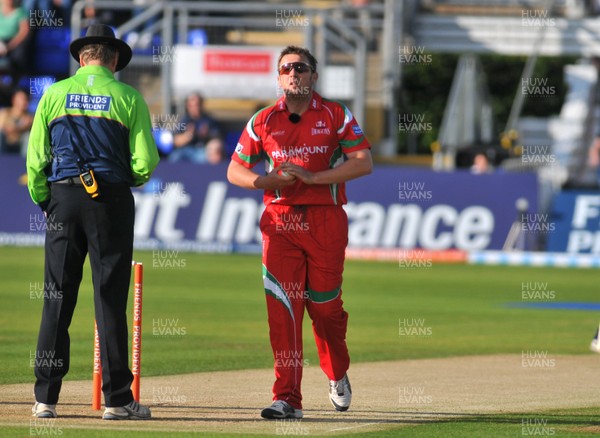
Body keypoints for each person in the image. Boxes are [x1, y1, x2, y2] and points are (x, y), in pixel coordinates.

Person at [227, 45, 372, 419]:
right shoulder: (263, 120)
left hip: (326, 221)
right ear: (278, 78)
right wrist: (264, 180)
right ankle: (287, 397)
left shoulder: (335, 114)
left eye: (301, 68)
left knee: (324, 311)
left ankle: (337, 373)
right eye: (286, 69)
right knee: (283, 310)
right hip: (279, 222)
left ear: (313, 76)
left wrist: (314, 177)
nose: (294, 74)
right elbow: (234, 169)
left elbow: (363, 162)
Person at [26, 24, 159, 420]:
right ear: (114, 59)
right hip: (110, 199)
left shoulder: (53, 94)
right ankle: (117, 400)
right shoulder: (128, 97)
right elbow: (145, 163)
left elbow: (36, 161)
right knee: (109, 298)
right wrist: (122, 182)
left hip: (63, 198)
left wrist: (47, 201)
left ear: (82, 58)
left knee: (56, 296)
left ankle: (45, 399)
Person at [170, 92, 224, 163]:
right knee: (175, 157)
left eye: (197, 105)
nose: (195, 108)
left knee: (205, 157)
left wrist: (207, 134)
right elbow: (174, 141)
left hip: (202, 149)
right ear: (187, 106)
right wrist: (187, 136)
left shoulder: (208, 120)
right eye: (191, 105)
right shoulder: (184, 120)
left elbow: (217, 136)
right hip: (184, 149)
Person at [0, 0, 31, 82]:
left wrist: (10, 45)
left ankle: (17, 81)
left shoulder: (20, 11)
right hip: (1, 42)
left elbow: (24, 31)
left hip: (15, 42)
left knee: (19, 55)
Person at [0, 88, 33, 155]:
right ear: (14, 99)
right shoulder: (5, 112)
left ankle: (24, 161)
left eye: (26, 99)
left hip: (21, 146)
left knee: (27, 136)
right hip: (4, 145)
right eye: (21, 99)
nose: (23, 102)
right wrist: (22, 128)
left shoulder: (30, 116)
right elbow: (4, 128)